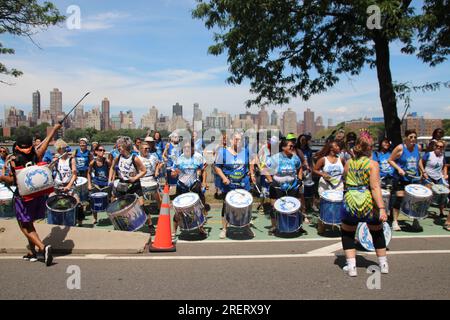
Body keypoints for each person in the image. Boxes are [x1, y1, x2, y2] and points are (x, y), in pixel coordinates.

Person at [0, 122, 62, 266]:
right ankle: (32, 252)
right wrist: (54, 129)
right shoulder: (37, 155)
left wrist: (2, 177)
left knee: (24, 225)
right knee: (29, 223)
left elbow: (12, 181)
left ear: (17, 146)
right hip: (38, 195)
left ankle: (42, 248)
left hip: (23, 197)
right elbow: (46, 143)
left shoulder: (14, 160)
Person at [340, 130, 389, 277]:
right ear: (369, 148)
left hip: (350, 201)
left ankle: (352, 267)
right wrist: (381, 208)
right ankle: (383, 264)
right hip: (368, 202)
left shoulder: (348, 163)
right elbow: (375, 187)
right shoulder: (373, 164)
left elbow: (344, 179)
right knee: (377, 232)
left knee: (348, 233)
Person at [108, 137, 153, 232]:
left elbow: (144, 171)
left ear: (125, 147)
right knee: (120, 205)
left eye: (119, 146)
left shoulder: (134, 158)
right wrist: (110, 180)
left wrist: (135, 178)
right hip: (123, 184)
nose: (118, 148)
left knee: (142, 205)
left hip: (134, 184)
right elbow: (112, 167)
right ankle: (123, 225)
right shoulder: (117, 157)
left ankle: (150, 225)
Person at [215, 132, 254, 239]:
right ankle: (224, 229)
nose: (239, 141)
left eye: (240, 139)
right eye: (236, 139)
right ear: (231, 140)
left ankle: (246, 227)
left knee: (246, 206)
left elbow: (251, 161)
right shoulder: (223, 152)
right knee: (226, 206)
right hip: (229, 185)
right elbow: (217, 167)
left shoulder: (245, 151)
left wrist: (251, 172)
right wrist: (224, 178)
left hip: (243, 184)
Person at [264, 139, 304, 235]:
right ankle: (274, 227)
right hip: (277, 186)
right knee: (274, 207)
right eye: (290, 146)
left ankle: (298, 226)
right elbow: (265, 170)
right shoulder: (275, 158)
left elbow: (300, 168)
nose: (292, 147)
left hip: (292, 186)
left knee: (296, 206)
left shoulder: (295, 158)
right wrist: (270, 181)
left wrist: (299, 178)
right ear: (283, 147)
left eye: (292, 146)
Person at [388, 129, 425, 231]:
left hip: (414, 178)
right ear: (406, 138)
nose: (413, 139)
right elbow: (390, 160)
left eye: (415, 137)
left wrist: (423, 171)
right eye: (411, 137)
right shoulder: (400, 148)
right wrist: (399, 169)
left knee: (416, 200)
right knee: (399, 198)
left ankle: (415, 221)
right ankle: (395, 221)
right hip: (401, 178)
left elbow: (419, 160)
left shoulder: (418, 148)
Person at [171, 139, 208, 236]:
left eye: (189, 147)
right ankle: (174, 230)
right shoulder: (179, 159)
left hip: (194, 186)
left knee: (198, 208)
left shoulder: (198, 157)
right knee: (178, 209)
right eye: (185, 147)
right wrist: (174, 173)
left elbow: (203, 170)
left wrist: (204, 182)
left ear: (193, 148)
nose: (187, 149)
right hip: (181, 186)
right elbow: (173, 173)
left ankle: (201, 228)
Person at [49, 139, 84, 227]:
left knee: (78, 203)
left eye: (64, 149)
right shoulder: (56, 160)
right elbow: (48, 170)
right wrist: (52, 162)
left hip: (69, 185)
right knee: (50, 200)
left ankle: (80, 223)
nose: (62, 151)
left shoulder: (71, 159)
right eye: (60, 149)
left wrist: (68, 186)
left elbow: (74, 174)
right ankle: (54, 221)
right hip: (58, 186)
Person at [313, 140, 344, 234]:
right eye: (337, 146)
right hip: (325, 185)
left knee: (338, 205)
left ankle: (339, 223)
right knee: (325, 205)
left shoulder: (341, 159)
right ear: (331, 148)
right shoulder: (323, 159)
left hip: (338, 185)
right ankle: (321, 224)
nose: (339, 148)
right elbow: (314, 170)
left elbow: (346, 171)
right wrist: (322, 174)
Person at [421, 140, 448, 219]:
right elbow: (420, 162)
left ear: (443, 148)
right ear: (434, 146)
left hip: (438, 177)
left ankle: (441, 212)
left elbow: (445, 166)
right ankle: (423, 211)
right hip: (428, 177)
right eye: (437, 146)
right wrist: (423, 172)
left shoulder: (442, 156)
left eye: (441, 147)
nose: (438, 148)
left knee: (443, 194)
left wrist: (445, 174)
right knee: (428, 195)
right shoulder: (429, 154)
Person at [139, 138, 162, 227]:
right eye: (145, 148)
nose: (147, 150)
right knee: (144, 204)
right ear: (140, 149)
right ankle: (149, 222)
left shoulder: (153, 157)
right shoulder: (137, 158)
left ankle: (162, 216)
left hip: (152, 180)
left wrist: (157, 170)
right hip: (142, 181)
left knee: (159, 200)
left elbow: (158, 163)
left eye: (148, 148)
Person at [87, 144, 112, 224]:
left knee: (109, 201)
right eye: (100, 150)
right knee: (94, 201)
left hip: (106, 184)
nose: (102, 152)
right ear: (96, 152)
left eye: (103, 150)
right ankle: (95, 218)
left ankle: (111, 216)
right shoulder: (92, 162)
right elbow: (88, 173)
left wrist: (111, 180)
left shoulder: (107, 161)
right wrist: (89, 184)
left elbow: (113, 170)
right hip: (96, 183)